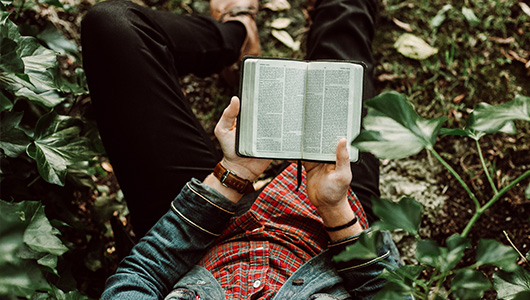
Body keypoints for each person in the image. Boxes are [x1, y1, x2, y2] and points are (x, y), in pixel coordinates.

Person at [81, 0, 405, 298]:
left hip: (199, 242)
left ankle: (236, 34)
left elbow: (136, 279)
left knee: (112, 27)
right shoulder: (334, 209)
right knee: (344, 41)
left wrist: (230, 177)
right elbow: (388, 292)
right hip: (326, 228)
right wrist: (335, 209)